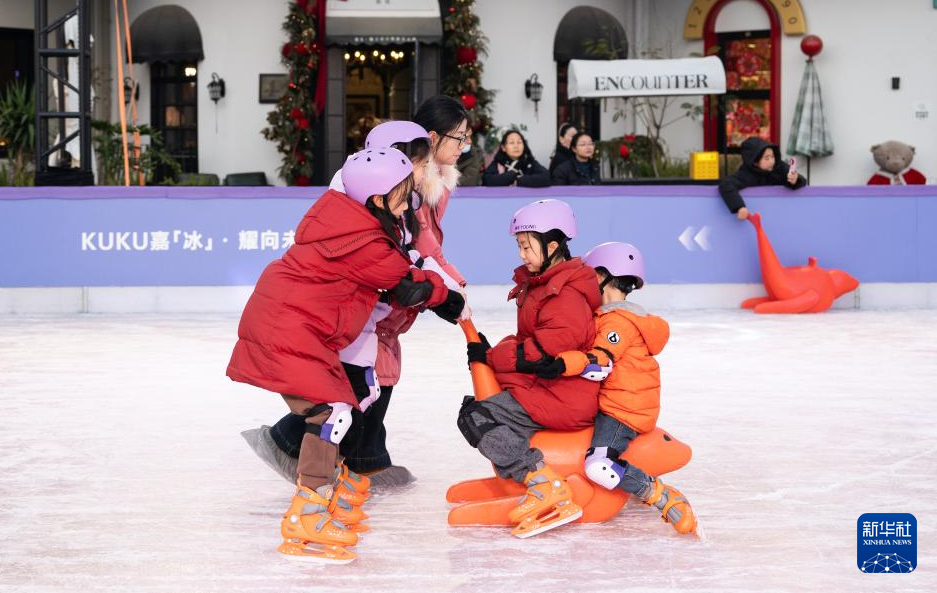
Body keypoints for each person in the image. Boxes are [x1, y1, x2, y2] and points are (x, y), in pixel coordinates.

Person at [227, 147, 461, 563]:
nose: (408, 203)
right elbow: (406, 284)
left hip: (296, 327)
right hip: (290, 333)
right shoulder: (362, 239)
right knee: (332, 414)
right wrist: (447, 297)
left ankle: (328, 491)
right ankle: (308, 513)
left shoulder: (351, 218)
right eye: (402, 194)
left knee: (356, 396)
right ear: (377, 198)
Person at [260, 97, 472, 489]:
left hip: (361, 311)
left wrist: (443, 283)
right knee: (348, 394)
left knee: (365, 384)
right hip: (332, 317)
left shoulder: (405, 195)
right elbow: (406, 262)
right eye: (459, 137)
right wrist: (444, 292)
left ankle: (356, 461)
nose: (463, 146)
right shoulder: (372, 208)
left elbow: (416, 252)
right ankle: (317, 474)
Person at [459, 199, 602, 538]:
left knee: (477, 417)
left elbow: (542, 349)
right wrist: (491, 351)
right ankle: (528, 477)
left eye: (526, 246)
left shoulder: (565, 294)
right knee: (476, 412)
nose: (521, 254)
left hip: (564, 395)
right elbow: (527, 341)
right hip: (549, 389)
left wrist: (492, 358)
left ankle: (542, 482)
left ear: (552, 246)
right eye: (519, 246)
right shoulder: (542, 284)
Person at [554, 242, 698, 535]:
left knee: (598, 465)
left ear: (601, 276)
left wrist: (558, 363)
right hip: (624, 400)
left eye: (589, 277)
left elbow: (600, 365)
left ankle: (660, 495)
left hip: (623, 410)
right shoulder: (616, 317)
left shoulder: (617, 322)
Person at [719, 137, 806, 220]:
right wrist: (739, 207)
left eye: (772, 156)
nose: (771, 161)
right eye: (766, 158)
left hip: (781, 213)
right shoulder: (746, 174)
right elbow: (726, 184)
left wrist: (795, 180)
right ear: (755, 162)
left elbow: (801, 180)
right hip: (757, 215)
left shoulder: (779, 166)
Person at [482, 129, 551, 188]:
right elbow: (487, 180)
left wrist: (519, 181)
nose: (516, 146)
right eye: (512, 142)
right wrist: (511, 175)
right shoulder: (498, 163)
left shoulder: (529, 162)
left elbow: (546, 177)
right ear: (503, 148)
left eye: (519, 142)